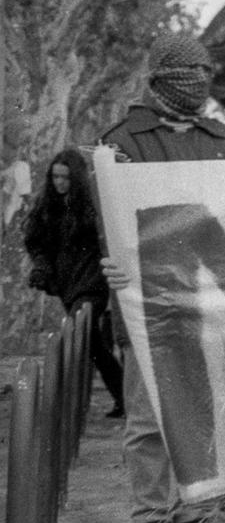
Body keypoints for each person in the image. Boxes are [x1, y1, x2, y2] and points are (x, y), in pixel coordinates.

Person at [100, 34, 225, 523]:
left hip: (211, 301)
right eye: (189, 70)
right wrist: (113, 264)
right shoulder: (122, 142)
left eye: (208, 70)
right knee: (147, 421)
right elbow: (111, 224)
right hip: (148, 303)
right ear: (161, 75)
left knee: (207, 415)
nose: (201, 79)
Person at [24, 148, 125, 419]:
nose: (59, 182)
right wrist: (43, 268)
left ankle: (63, 406)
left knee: (79, 336)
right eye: (55, 176)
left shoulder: (92, 204)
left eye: (66, 177)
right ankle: (124, 397)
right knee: (91, 344)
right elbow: (35, 243)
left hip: (93, 282)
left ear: (76, 178)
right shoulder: (46, 206)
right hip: (67, 282)